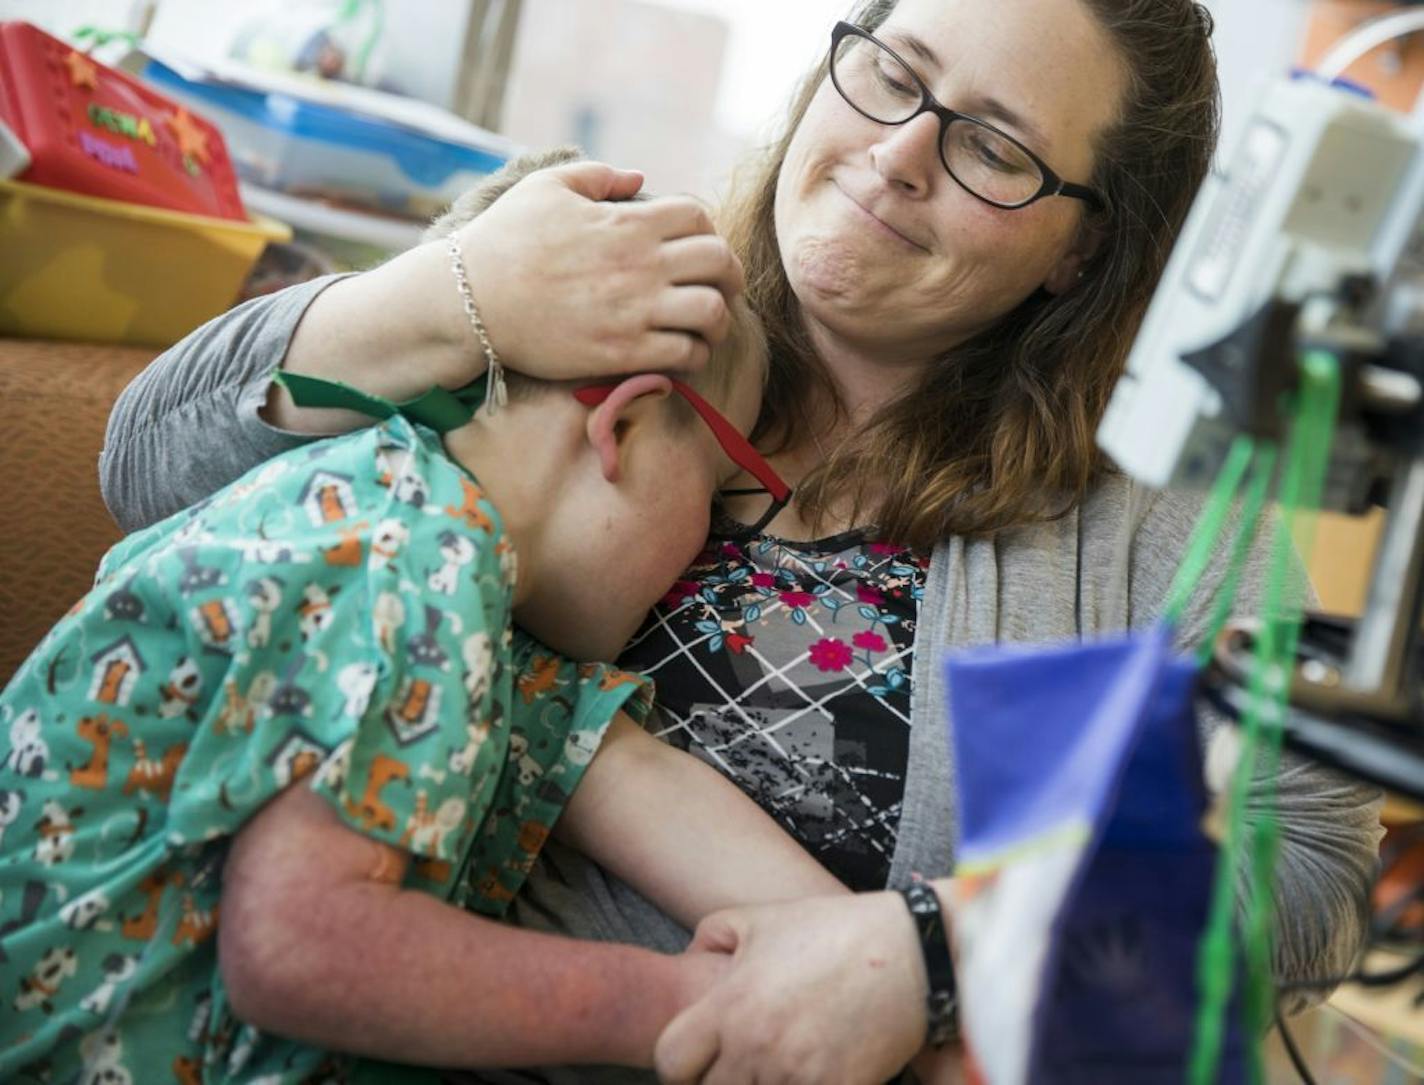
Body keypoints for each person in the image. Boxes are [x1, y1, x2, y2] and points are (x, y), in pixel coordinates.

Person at [99, 0, 1385, 1082]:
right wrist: (462, 290)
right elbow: (145, 464)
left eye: (992, 147)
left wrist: (938, 951)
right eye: (891, 74)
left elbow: (1310, 874)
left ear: (1077, 248)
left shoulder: (1142, 527)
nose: (896, 156)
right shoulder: (584, 265)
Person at [0, 155, 851, 1084]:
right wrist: (676, 1003)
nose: (708, 546)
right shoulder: (405, 548)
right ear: (626, 426)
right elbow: (302, 949)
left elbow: (644, 784)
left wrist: (895, 970)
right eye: (724, 490)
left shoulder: (442, 577)